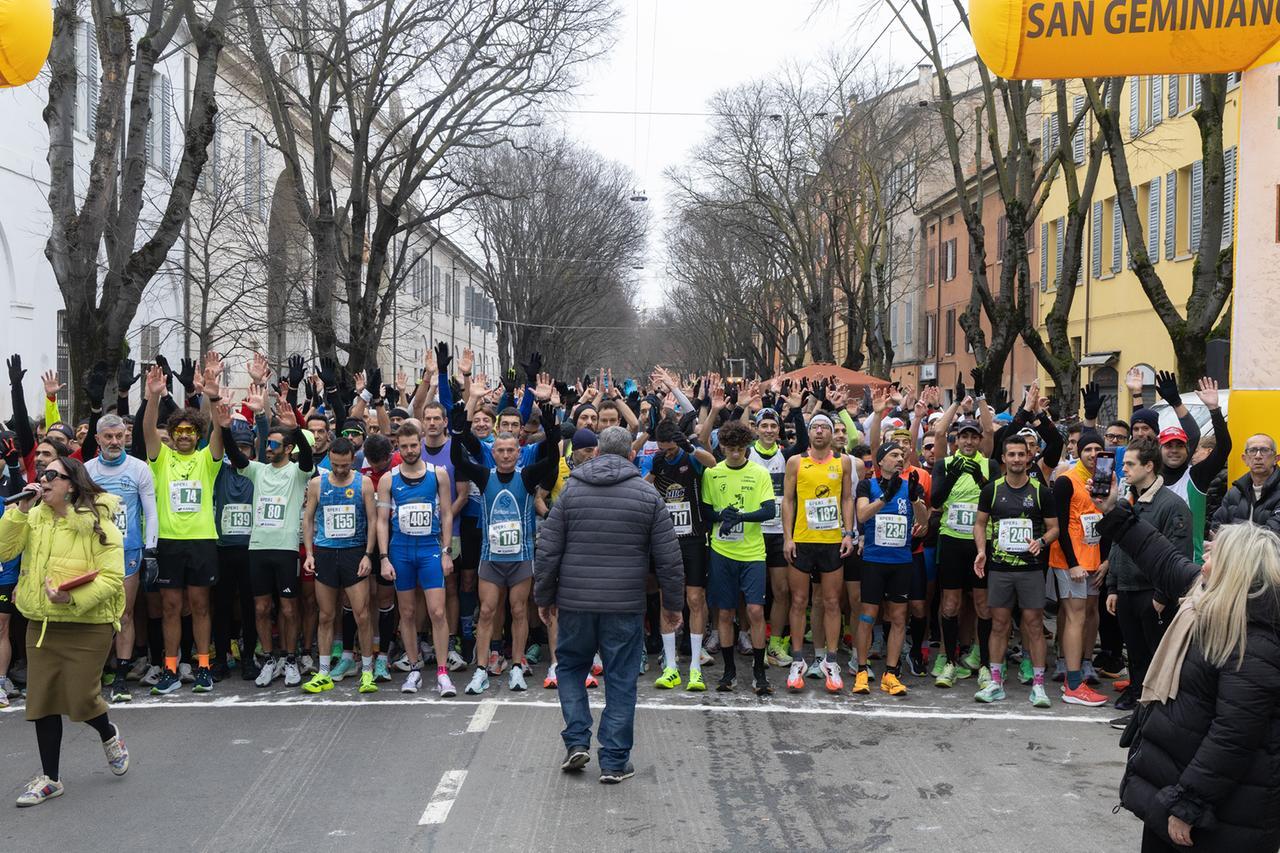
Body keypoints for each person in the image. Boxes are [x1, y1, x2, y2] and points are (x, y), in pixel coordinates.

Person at [1098, 501, 1280, 853]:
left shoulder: (1254, 640)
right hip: (1181, 792)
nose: (1204, 559)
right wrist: (1117, 513)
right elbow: (1161, 557)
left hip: (1220, 817)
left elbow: (1233, 737)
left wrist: (1189, 803)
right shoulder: (1209, 597)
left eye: (1214, 554)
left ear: (1234, 570)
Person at [534, 426, 684, 784]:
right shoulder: (647, 496)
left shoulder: (571, 491)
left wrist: (544, 596)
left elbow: (548, 548)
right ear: (631, 455)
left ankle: (576, 742)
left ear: (598, 453)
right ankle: (615, 760)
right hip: (624, 604)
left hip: (575, 601)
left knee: (570, 668)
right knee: (620, 678)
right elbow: (669, 557)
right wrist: (672, 604)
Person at [0, 458, 130, 806]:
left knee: (82, 700)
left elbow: (112, 578)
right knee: (42, 701)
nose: (42, 480)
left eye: (51, 475)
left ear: (71, 484)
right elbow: (3, 550)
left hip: (88, 625)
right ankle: (50, 778)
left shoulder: (100, 521)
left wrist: (71, 596)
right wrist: (18, 513)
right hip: (43, 623)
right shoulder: (34, 516)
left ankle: (108, 732)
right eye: (40, 474)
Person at [449, 401, 559, 695]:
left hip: (521, 558)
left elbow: (550, 462)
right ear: (493, 453)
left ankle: (516, 667)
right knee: (486, 611)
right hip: (491, 559)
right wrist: (458, 431)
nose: (507, 455)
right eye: (501, 450)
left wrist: (551, 431)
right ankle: (482, 670)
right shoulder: (485, 477)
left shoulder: (526, 476)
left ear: (518, 453)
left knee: (519, 610)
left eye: (511, 450)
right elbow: (459, 463)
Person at [218, 399, 314, 689]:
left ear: (287, 449)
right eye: (267, 444)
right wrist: (224, 430)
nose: (268, 448)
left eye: (274, 444)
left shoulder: (298, 473)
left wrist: (296, 430)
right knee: (260, 608)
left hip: (285, 550)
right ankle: (270, 659)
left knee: (288, 609)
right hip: (257, 548)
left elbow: (308, 455)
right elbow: (236, 456)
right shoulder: (258, 470)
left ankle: (290, 659)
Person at [141, 360, 224, 695]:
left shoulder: (207, 459)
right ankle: (170, 667)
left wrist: (213, 397)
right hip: (169, 542)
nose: (186, 436)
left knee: (201, 606)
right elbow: (147, 430)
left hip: (202, 541)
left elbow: (219, 434)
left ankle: (203, 666)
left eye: (191, 432)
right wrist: (152, 397)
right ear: (173, 436)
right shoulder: (161, 460)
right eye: (180, 432)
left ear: (197, 435)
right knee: (171, 608)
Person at [1103, 436, 1192, 725]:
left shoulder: (1172, 505)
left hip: (1152, 595)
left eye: (1130, 464)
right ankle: (1138, 708)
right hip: (1127, 590)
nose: (1124, 469)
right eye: (1123, 463)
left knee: (1157, 656)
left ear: (1149, 466)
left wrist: (1162, 596)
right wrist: (1114, 586)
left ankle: (1156, 713)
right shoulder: (1129, 500)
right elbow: (1118, 544)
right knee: (1136, 654)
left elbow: (1177, 555)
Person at [971, 436, 1059, 707]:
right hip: (999, 568)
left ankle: (1039, 686)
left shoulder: (1040, 491)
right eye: (1012, 454)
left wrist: (1042, 542)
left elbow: (1054, 528)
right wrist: (981, 550)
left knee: (1033, 625)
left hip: (1031, 569)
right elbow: (980, 523)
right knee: (999, 624)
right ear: (1004, 459)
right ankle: (996, 682)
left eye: (1022, 454)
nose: (1017, 459)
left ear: (1028, 457)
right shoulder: (992, 490)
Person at [376, 421, 455, 695]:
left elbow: (446, 514)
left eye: (414, 445)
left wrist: (446, 552)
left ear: (421, 442)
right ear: (397, 445)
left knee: (437, 611)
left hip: (429, 550)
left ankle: (443, 672)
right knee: (407, 613)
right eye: (404, 446)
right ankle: (414, 668)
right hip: (401, 550)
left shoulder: (438, 474)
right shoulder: (389, 479)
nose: (410, 451)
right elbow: (382, 522)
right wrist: (384, 558)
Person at [84, 414, 158, 703]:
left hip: (128, 551)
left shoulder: (139, 468)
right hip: (94, 553)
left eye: (119, 436)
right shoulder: (87, 470)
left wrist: (150, 551)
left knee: (123, 615)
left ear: (126, 436)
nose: (115, 442)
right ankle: (96, 672)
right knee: (95, 615)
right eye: (109, 437)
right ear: (99, 439)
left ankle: (121, 677)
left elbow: (150, 512)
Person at [702, 420, 778, 695]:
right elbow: (707, 511)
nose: (735, 454)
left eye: (740, 449)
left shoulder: (759, 473)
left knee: (755, 611)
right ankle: (729, 671)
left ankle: (759, 671)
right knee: (725, 612)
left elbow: (769, 510)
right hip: (722, 552)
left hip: (752, 552)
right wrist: (723, 516)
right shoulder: (713, 473)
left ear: (747, 447)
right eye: (730, 449)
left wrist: (741, 517)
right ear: (722, 448)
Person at [782, 413, 856, 692]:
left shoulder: (843, 462)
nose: (821, 432)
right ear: (809, 433)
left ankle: (831, 661)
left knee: (832, 602)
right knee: (799, 601)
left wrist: (848, 533)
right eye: (816, 427)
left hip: (831, 541)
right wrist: (788, 538)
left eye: (826, 427)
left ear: (832, 433)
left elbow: (847, 498)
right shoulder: (796, 462)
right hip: (802, 540)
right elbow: (787, 501)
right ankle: (798, 660)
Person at [301, 437, 379, 695]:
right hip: (325, 552)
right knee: (325, 615)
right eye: (336, 465)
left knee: (363, 614)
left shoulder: (363, 483)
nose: (341, 469)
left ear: (352, 460)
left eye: (345, 465)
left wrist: (368, 555)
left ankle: (367, 671)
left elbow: (372, 520)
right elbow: (309, 519)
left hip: (354, 552)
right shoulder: (317, 483)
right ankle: (323, 672)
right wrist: (309, 553)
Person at [850, 442, 926, 696]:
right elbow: (861, 515)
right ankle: (861, 670)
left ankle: (891, 674)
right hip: (874, 560)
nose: (899, 459)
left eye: (902, 456)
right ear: (880, 461)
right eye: (893, 455)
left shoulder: (909, 486)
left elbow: (924, 524)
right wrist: (885, 497)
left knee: (898, 618)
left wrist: (915, 499)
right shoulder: (867, 485)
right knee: (868, 616)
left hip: (901, 562)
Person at [647, 419, 717, 691]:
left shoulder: (690, 455)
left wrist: (689, 446)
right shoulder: (658, 461)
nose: (668, 453)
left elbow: (712, 462)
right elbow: (645, 486)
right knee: (668, 600)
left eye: (670, 448)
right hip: (667, 540)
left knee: (695, 598)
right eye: (663, 449)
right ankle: (671, 667)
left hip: (695, 539)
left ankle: (695, 668)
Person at [1047, 429, 1110, 706]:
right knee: (1074, 616)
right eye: (1088, 450)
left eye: (1098, 449)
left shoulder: (1105, 481)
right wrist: (1072, 563)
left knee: (1084, 615)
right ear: (1078, 453)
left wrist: (1105, 560)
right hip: (1070, 560)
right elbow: (1059, 526)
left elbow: (1107, 523)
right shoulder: (1066, 481)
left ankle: (1078, 674)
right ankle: (1073, 683)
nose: (1094, 455)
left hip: (1094, 559)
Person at [1211, 433, 1280, 535]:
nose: (1258, 456)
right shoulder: (1234, 493)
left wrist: (1227, 541)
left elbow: (1272, 536)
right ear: (1245, 459)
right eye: (1252, 450)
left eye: (1264, 450)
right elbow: (1216, 529)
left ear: (1276, 459)